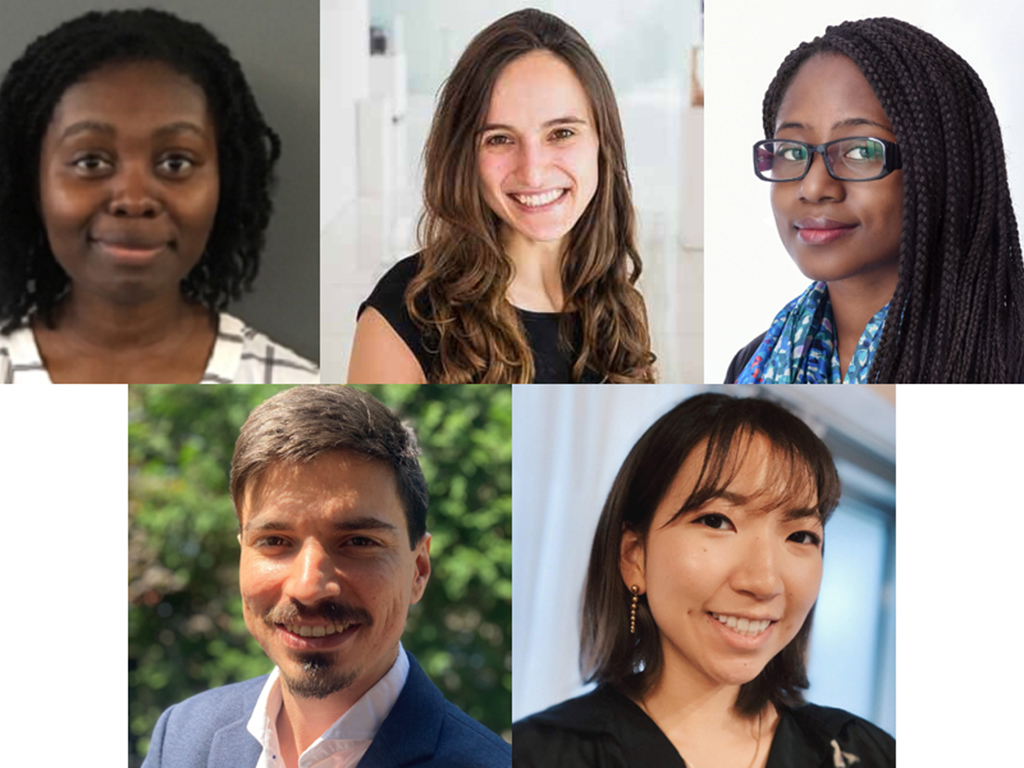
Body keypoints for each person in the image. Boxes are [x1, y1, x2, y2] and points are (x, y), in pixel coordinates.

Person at [513, 393, 895, 767]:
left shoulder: (863, 752)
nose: (764, 582)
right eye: (716, 520)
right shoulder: (539, 754)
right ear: (635, 557)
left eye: (801, 536)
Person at [141, 386, 511, 768]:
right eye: (274, 541)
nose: (309, 587)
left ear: (419, 570)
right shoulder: (182, 738)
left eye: (358, 541)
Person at [0, 9, 318, 383]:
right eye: (90, 161)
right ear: (33, 185)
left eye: (175, 163)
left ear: (224, 186)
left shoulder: (292, 381)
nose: (134, 201)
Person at [348, 9, 655, 384]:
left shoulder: (619, 302)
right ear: (465, 156)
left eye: (561, 133)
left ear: (601, 142)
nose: (533, 171)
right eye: (499, 139)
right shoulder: (403, 314)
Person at [725, 17, 1024, 384]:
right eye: (791, 151)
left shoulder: (1006, 359)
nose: (815, 186)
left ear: (938, 166)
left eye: (861, 150)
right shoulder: (751, 363)